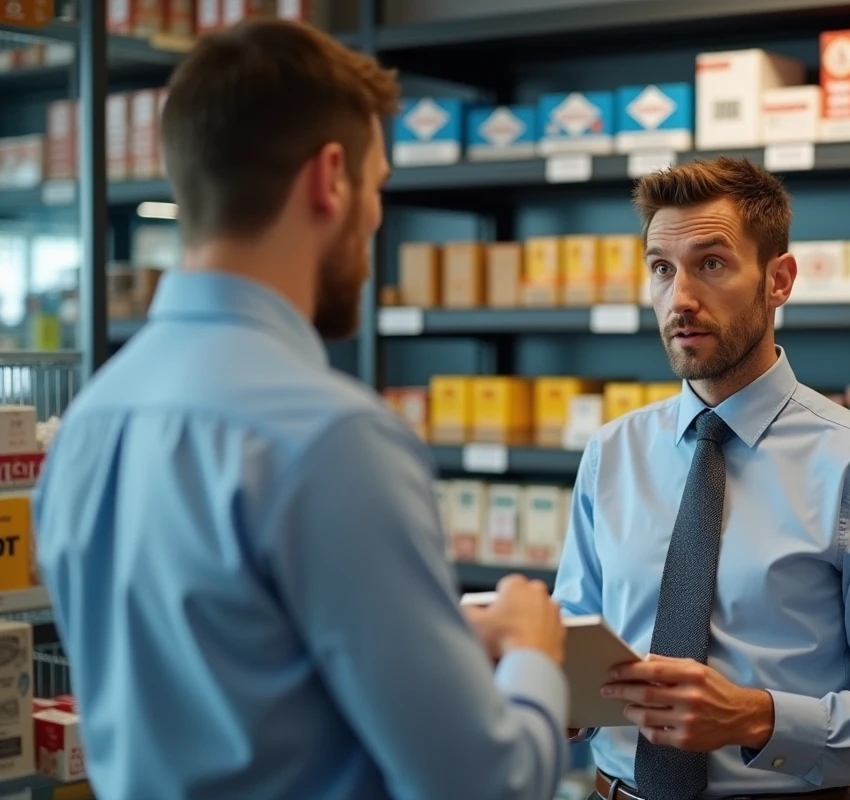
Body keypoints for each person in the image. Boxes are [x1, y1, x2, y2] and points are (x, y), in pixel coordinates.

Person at [33, 20, 569, 800]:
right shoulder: (332, 438)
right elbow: (487, 785)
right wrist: (531, 654)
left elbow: (233, 678)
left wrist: (442, 643)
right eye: (378, 185)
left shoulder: (89, 421)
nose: (379, 217)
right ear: (330, 179)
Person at [555, 157, 850, 800]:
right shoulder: (613, 452)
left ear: (779, 280)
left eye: (711, 264)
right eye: (662, 268)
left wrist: (758, 717)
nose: (680, 298)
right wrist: (554, 690)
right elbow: (573, 636)